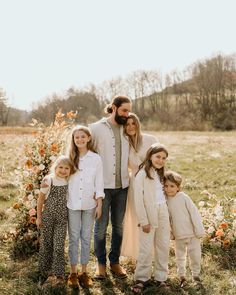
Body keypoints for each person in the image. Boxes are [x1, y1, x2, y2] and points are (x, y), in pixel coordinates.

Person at [89, 95, 132, 279]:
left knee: (119, 227)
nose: (127, 114)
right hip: (102, 188)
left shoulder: (128, 128)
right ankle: (100, 265)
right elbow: (88, 156)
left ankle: (115, 262)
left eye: (129, 110)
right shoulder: (96, 128)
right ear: (114, 108)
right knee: (100, 227)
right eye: (124, 110)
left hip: (123, 186)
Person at [66, 125, 105, 289]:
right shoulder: (69, 158)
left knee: (86, 237)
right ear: (73, 140)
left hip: (90, 204)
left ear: (88, 138)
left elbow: (99, 182)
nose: (80, 140)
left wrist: (99, 203)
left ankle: (84, 272)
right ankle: (73, 272)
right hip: (72, 204)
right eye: (77, 137)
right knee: (74, 237)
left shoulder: (95, 158)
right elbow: (61, 177)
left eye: (83, 136)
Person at [131, 144, 170, 293]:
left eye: (163, 158)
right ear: (150, 156)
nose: (160, 160)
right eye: (158, 157)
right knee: (146, 248)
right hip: (149, 214)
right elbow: (138, 200)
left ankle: (161, 277)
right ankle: (142, 278)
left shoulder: (160, 174)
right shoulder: (142, 174)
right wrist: (143, 220)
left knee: (163, 245)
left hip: (163, 212)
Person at [121, 113, 158, 259]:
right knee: (136, 217)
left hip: (150, 182)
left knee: (150, 215)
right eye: (127, 124)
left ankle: (153, 253)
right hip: (134, 184)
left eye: (133, 123)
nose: (130, 127)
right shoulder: (124, 143)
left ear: (137, 124)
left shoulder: (150, 139)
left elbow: (160, 160)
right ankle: (136, 255)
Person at [36, 155, 75, 287]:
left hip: (62, 219)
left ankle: (59, 274)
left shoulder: (69, 181)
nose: (63, 171)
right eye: (61, 167)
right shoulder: (48, 180)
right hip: (47, 218)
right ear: (55, 167)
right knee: (47, 244)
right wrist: (39, 217)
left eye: (66, 168)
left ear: (70, 170)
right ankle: (45, 272)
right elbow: (41, 200)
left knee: (58, 246)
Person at [164, 170, 205, 287]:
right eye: (166, 186)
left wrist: (199, 230)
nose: (169, 189)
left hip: (192, 234)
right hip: (178, 235)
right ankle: (182, 276)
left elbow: (194, 213)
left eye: (172, 186)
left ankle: (196, 275)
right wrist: (171, 233)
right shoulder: (165, 200)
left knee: (195, 255)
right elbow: (168, 219)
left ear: (178, 187)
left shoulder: (183, 197)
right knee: (180, 256)